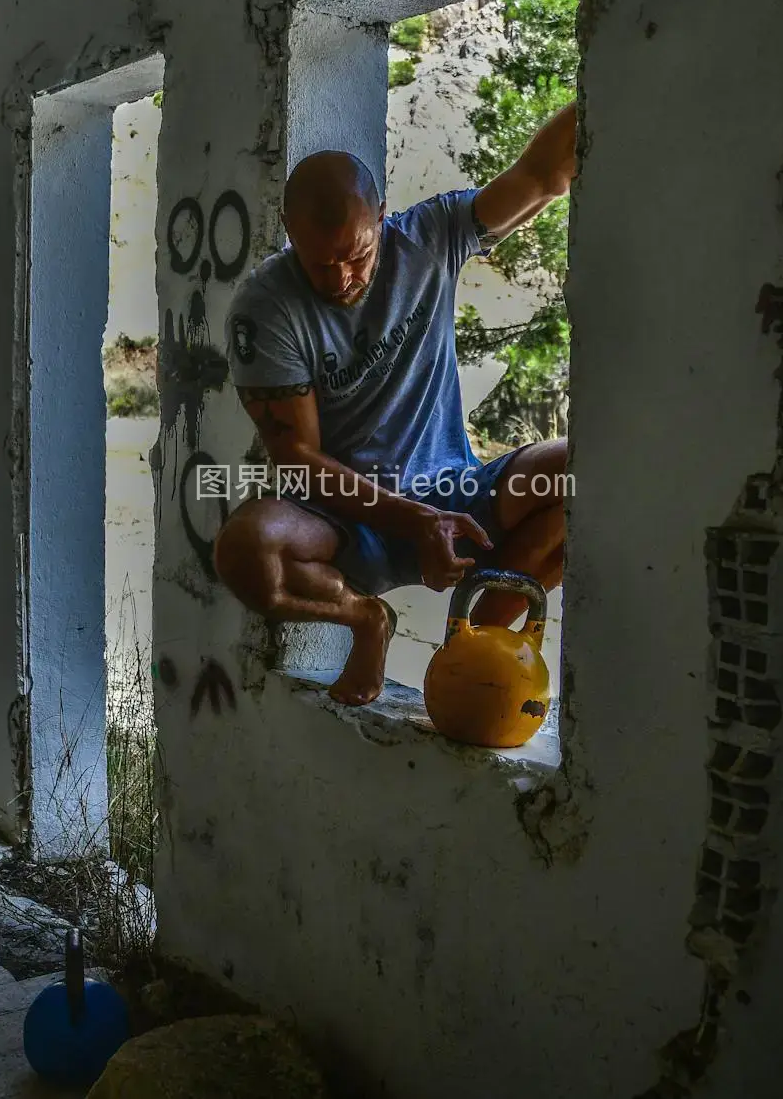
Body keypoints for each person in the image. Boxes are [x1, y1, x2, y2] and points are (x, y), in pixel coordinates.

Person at [213, 102, 577, 705]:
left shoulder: (430, 238)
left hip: (453, 491)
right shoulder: (266, 308)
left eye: (356, 255)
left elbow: (542, 176)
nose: (339, 280)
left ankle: (470, 646)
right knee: (247, 552)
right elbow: (298, 458)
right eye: (318, 262)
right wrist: (415, 522)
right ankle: (366, 621)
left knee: (576, 476)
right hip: (340, 513)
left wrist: (620, 82)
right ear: (288, 231)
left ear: (381, 218)